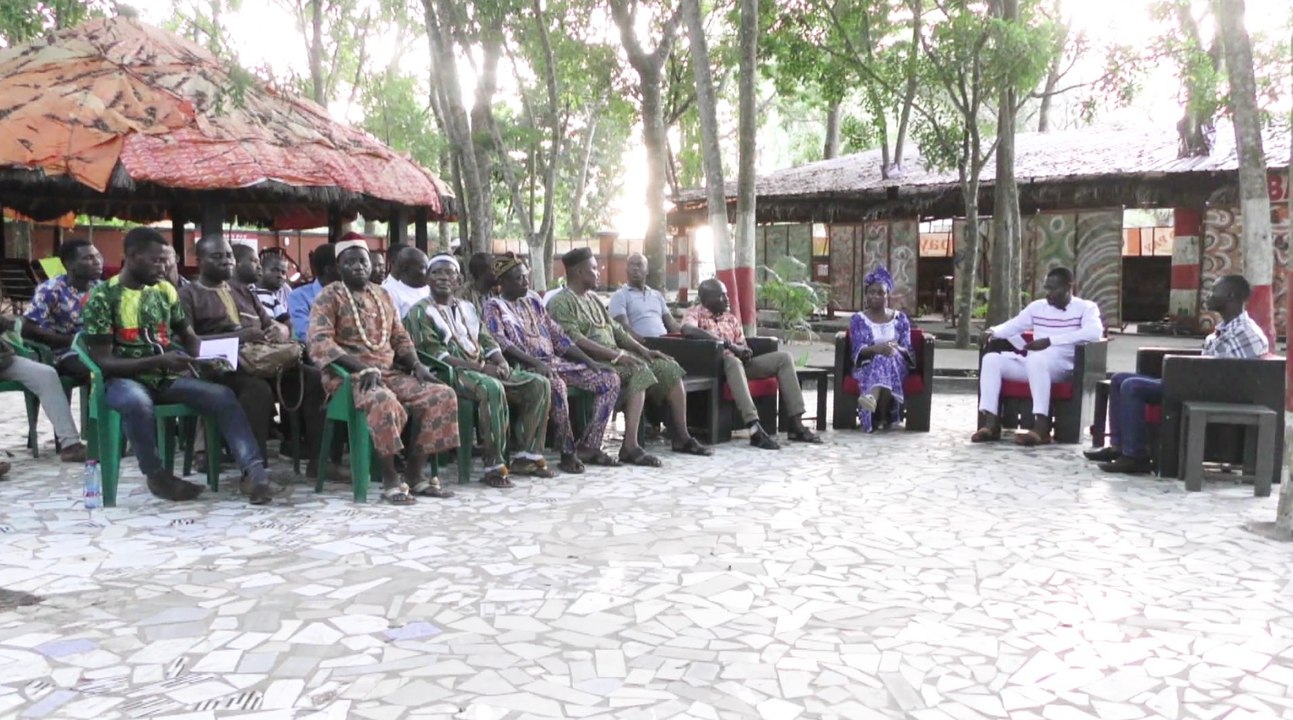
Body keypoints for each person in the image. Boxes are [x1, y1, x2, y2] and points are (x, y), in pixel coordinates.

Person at [82, 227, 274, 504]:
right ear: (132, 257)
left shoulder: (164, 292)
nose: (164, 267)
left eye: (165, 260)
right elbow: (104, 362)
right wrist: (160, 360)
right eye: (156, 260)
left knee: (223, 395)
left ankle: (253, 472)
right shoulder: (102, 297)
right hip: (123, 380)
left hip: (166, 377)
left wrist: (213, 358)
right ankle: (156, 476)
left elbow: (190, 340)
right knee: (137, 403)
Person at [307, 238, 459, 503]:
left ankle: (414, 474)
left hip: (388, 374)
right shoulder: (329, 296)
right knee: (382, 400)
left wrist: (416, 365)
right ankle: (389, 478)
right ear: (339, 267)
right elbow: (319, 342)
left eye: (362, 261)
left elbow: (400, 337)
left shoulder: (382, 294)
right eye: (349, 262)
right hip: (349, 377)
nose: (358, 267)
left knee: (441, 395)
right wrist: (362, 368)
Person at [1088, 274, 1269, 474]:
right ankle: (1118, 447)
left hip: (1209, 392)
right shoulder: (1227, 327)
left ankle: (1136, 456)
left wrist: (1183, 373)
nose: (1208, 296)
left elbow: (1230, 373)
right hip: (1196, 382)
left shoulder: (1245, 332)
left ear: (1230, 296)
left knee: (1132, 387)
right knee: (1119, 379)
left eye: (1213, 291)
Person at [549, 248, 711, 464]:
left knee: (667, 367)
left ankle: (682, 437)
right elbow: (574, 340)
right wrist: (617, 356)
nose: (599, 272)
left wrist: (645, 351)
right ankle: (630, 446)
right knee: (639, 370)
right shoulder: (561, 302)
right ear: (579, 272)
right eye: (594, 268)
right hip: (590, 361)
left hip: (615, 356)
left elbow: (617, 330)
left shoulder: (593, 299)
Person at [409, 254, 556, 487]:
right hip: (449, 373)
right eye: (437, 272)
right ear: (427, 277)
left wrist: (500, 362)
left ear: (458, 279)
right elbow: (437, 356)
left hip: (481, 367)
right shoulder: (419, 312)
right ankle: (494, 467)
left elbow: (487, 341)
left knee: (538, 384)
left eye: (450, 273)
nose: (444, 278)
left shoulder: (467, 307)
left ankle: (527, 457)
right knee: (491, 387)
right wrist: (481, 368)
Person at [483, 253, 621, 474]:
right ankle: (567, 452)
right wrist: (536, 363)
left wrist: (590, 361)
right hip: (523, 367)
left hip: (554, 363)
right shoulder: (494, 306)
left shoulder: (534, 301)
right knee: (556, 386)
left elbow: (559, 337)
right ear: (503, 283)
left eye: (526, 277)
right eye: (518, 278)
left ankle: (590, 445)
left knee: (609, 379)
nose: (525, 282)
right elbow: (501, 343)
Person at [180, 235, 289, 466]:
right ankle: (253, 466)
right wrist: (238, 337)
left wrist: (279, 332)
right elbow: (191, 344)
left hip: (261, 359)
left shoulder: (244, 291)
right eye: (217, 256)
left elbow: (273, 325)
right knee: (257, 390)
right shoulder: (188, 295)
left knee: (312, 379)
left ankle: (317, 459)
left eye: (229, 256)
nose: (226, 261)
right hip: (216, 368)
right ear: (199, 261)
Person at [682, 278, 822, 449]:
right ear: (706, 299)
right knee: (732, 361)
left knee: (784, 358)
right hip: (717, 366)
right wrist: (728, 345)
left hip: (740, 365)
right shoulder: (695, 313)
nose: (727, 300)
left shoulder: (730, 319)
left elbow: (742, 344)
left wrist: (745, 351)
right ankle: (754, 428)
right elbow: (687, 330)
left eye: (726, 296)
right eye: (721, 296)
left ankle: (795, 423)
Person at [971, 266, 1103, 446]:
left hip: (1063, 367)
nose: (1048, 294)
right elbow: (1014, 325)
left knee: (1036, 359)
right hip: (1034, 364)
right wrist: (992, 331)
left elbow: (1094, 332)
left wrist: (1050, 341)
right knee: (991, 360)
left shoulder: (1086, 308)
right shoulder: (1037, 307)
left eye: (1053, 289)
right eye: (1046, 288)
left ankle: (1041, 427)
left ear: (1068, 287)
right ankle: (991, 424)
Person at [23, 237, 103, 378]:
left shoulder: (100, 288)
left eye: (98, 256)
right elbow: (27, 329)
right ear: (70, 264)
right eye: (88, 258)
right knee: (99, 372)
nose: (97, 262)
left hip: (99, 348)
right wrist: (71, 340)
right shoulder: (51, 290)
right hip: (65, 352)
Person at [848, 266, 913, 432]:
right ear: (866, 294)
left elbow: (907, 348)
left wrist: (893, 347)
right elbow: (857, 350)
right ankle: (882, 416)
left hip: (897, 364)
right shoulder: (859, 320)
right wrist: (876, 349)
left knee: (887, 357)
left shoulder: (900, 319)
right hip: (868, 366)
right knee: (881, 359)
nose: (875, 296)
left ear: (887, 295)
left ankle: (871, 400)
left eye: (880, 292)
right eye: (871, 292)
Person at [609, 252, 681, 343]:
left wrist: (688, 333)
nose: (635, 268)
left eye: (639, 265)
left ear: (647, 270)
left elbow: (672, 324)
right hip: (641, 345)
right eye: (631, 265)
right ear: (627, 270)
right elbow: (623, 328)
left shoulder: (657, 296)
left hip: (665, 342)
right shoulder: (620, 295)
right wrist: (642, 345)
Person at [288, 243, 338, 341]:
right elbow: (307, 333)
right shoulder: (299, 296)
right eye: (343, 264)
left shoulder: (349, 293)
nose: (349, 269)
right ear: (329, 270)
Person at [382, 245, 431, 318]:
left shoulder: (430, 290)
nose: (428, 272)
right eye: (422, 267)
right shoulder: (389, 291)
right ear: (406, 268)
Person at [254, 251, 293, 326]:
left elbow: (290, 321)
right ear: (261, 269)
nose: (280, 275)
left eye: (283, 272)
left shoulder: (286, 290)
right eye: (275, 270)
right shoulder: (249, 290)